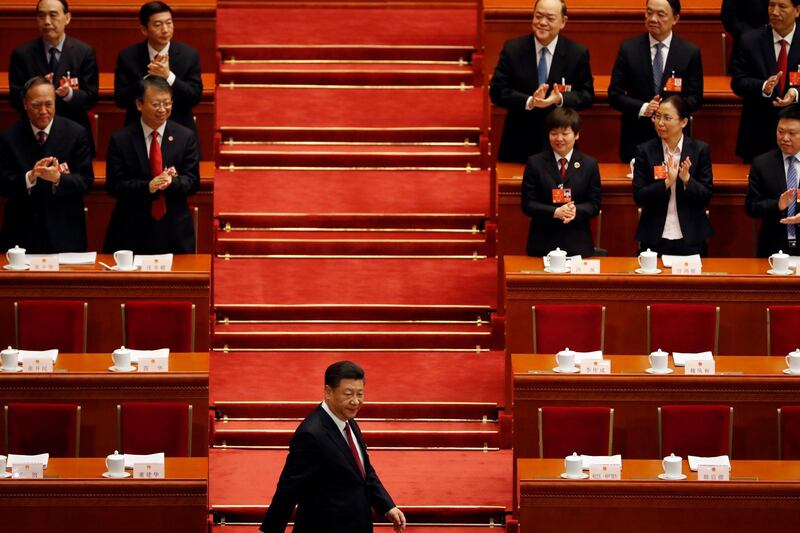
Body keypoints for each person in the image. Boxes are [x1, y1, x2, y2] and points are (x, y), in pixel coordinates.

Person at [260, 360, 405, 533]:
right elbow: (289, 488)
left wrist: (387, 506)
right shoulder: (311, 434)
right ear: (328, 392)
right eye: (348, 394)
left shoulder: (349, 423)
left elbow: (364, 472)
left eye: (360, 394)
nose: (356, 401)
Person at [103, 76, 199, 254]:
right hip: (131, 229)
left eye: (167, 103)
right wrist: (147, 187)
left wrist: (172, 183)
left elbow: (193, 181)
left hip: (174, 230)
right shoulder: (121, 139)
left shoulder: (185, 136)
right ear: (139, 104)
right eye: (156, 104)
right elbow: (114, 186)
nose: (162, 109)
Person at [490, 0, 593, 163]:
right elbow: (496, 91)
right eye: (538, 16)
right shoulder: (513, 49)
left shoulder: (577, 53)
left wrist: (560, 99)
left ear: (563, 22)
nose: (542, 22)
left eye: (550, 18)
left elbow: (587, 95)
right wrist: (530, 101)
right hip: (518, 142)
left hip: (559, 145)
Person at [0, 76, 93, 253]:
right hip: (22, 234)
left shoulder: (76, 133)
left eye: (49, 104)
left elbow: (86, 180)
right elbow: (3, 184)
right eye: (36, 105)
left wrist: (58, 178)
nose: (43, 111)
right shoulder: (9, 138)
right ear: (25, 104)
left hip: (66, 233)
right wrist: (29, 177)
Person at [608, 0, 703, 163]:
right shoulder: (629, 49)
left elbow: (696, 97)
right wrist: (644, 107)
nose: (652, 18)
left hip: (675, 139)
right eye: (649, 12)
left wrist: (669, 112)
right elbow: (614, 94)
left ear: (675, 18)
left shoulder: (689, 52)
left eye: (660, 14)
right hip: (636, 137)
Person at [8, 0, 99, 150]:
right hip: (32, 135)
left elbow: (91, 97)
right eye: (41, 16)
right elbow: (15, 99)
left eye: (53, 15)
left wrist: (68, 94)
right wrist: (37, 89)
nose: (47, 21)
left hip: (73, 134)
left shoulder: (84, 53)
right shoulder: (22, 54)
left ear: (67, 18)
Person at [632, 94, 713, 256]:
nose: (660, 123)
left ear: (683, 122)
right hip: (654, 236)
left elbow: (707, 196)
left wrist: (687, 179)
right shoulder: (645, 151)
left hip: (691, 236)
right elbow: (639, 196)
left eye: (667, 118)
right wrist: (666, 183)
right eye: (657, 117)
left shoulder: (699, 150)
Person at [520, 107, 601, 257]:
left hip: (577, 243)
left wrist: (575, 210)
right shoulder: (535, 163)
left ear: (576, 135)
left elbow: (594, 205)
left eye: (565, 133)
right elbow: (527, 204)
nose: (559, 139)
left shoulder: (590, 164)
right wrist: (555, 212)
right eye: (553, 133)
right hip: (542, 243)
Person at [114, 1, 202, 131]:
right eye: (158, 25)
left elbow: (194, 97)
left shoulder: (189, 55)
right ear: (144, 29)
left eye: (169, 23)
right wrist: (146, 80)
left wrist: (168, 76)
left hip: (180, 131)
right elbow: (120, 100)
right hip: (138, 130)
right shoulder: (128, 56)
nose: (165, 30)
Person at [731, 0, 800, 163]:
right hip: (758, 134)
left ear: (797, 10)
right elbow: (738, 82)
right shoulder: (749, 40)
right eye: (771, 6)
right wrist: (763, 87)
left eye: (782, 7)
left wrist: (796, 92)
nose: (774, 12)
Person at [746, 105, 800, 257]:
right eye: (780, 131)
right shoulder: (762, 163)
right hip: (773, 246)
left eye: (792, 133)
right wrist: (777, 204)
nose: (784, 138)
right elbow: (751, 207)